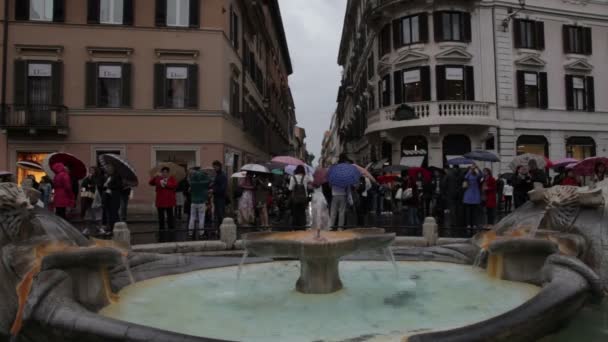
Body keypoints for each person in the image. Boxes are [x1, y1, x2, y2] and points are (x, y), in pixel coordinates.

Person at [149, 167, 177, 242]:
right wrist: (155, 176)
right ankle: (161, 229)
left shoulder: (171, 178)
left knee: (170, 215)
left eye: (166, 172)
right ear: (161, 172)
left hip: (169, 201)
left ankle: (171, 228)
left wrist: (165, 183)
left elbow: (173, 186)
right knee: (161, 216)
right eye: (163, 172)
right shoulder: (158, 178)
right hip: (160, 201)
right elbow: (150, 183)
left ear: (168, 173)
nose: (164, 173)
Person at [188, 167, 211, 239]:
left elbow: (190, 183)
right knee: (201, 218)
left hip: (193, 202)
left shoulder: (192, 183)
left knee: (192, 217)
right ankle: (201, 233)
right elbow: (209, 180)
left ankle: (190, 233)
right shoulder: (203, 183)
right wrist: (204, 174)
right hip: (201, 202)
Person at [101, 164, 122, 235]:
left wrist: (109, 186)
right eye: (107, 168)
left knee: (114, 214)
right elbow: (105, 186)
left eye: (109, 168)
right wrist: (104, 186)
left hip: (114, 198)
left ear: (113, 169)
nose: (108, 169)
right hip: (108, 197)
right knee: (109, 214)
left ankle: (115, 229)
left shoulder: (117, 176)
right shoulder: (108, 177)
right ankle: (110, 228)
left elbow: (119, 186)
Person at [80, 166, 102, 235]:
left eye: (92, 170)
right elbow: (83, 186)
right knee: (88, 214)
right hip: (88, 198)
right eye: (90, 170)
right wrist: (87, 182)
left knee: (97, 214)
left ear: (96, 171)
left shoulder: (98, 178)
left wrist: (91, 184)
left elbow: (99, 185)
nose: (91, 172)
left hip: (96, 198)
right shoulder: (87, 178)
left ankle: (99, 228)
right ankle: (87, 229)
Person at [211, 161, 227, 227]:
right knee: (217, 214)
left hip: (220, 197)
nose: (214, 168)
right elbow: (217, 185)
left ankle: (222, 228)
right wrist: (212, 185)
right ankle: (218, 228)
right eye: (213, 167)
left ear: (219, 166)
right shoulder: (217, 175)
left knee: (220, 214)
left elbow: (222, 188)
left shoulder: (222, 175)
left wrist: (213, 190)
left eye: (215, 167)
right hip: (216, 197)